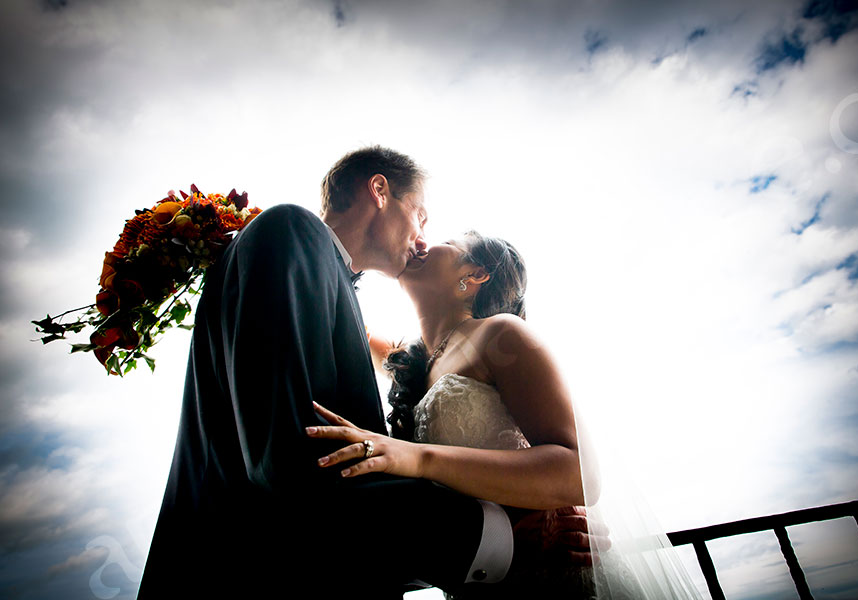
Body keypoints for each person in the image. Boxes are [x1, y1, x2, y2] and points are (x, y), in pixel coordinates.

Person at [137, 146, 596, 599]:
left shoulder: (472, 336)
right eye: (420, 216)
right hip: (246, 573)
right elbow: (298, 462)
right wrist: (499, 539)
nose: (421, 239)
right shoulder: (293, 234)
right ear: (379, 190)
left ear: (474, 276)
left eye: (436, 235)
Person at [307, 231, 703, 598]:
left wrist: (416, 457)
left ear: (476, 274)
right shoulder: (410, 364)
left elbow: (578, 472)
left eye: (446, 239)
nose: (423, 242)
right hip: (486, 573)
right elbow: (329, 308)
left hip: (555, 575)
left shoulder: (500, 335)